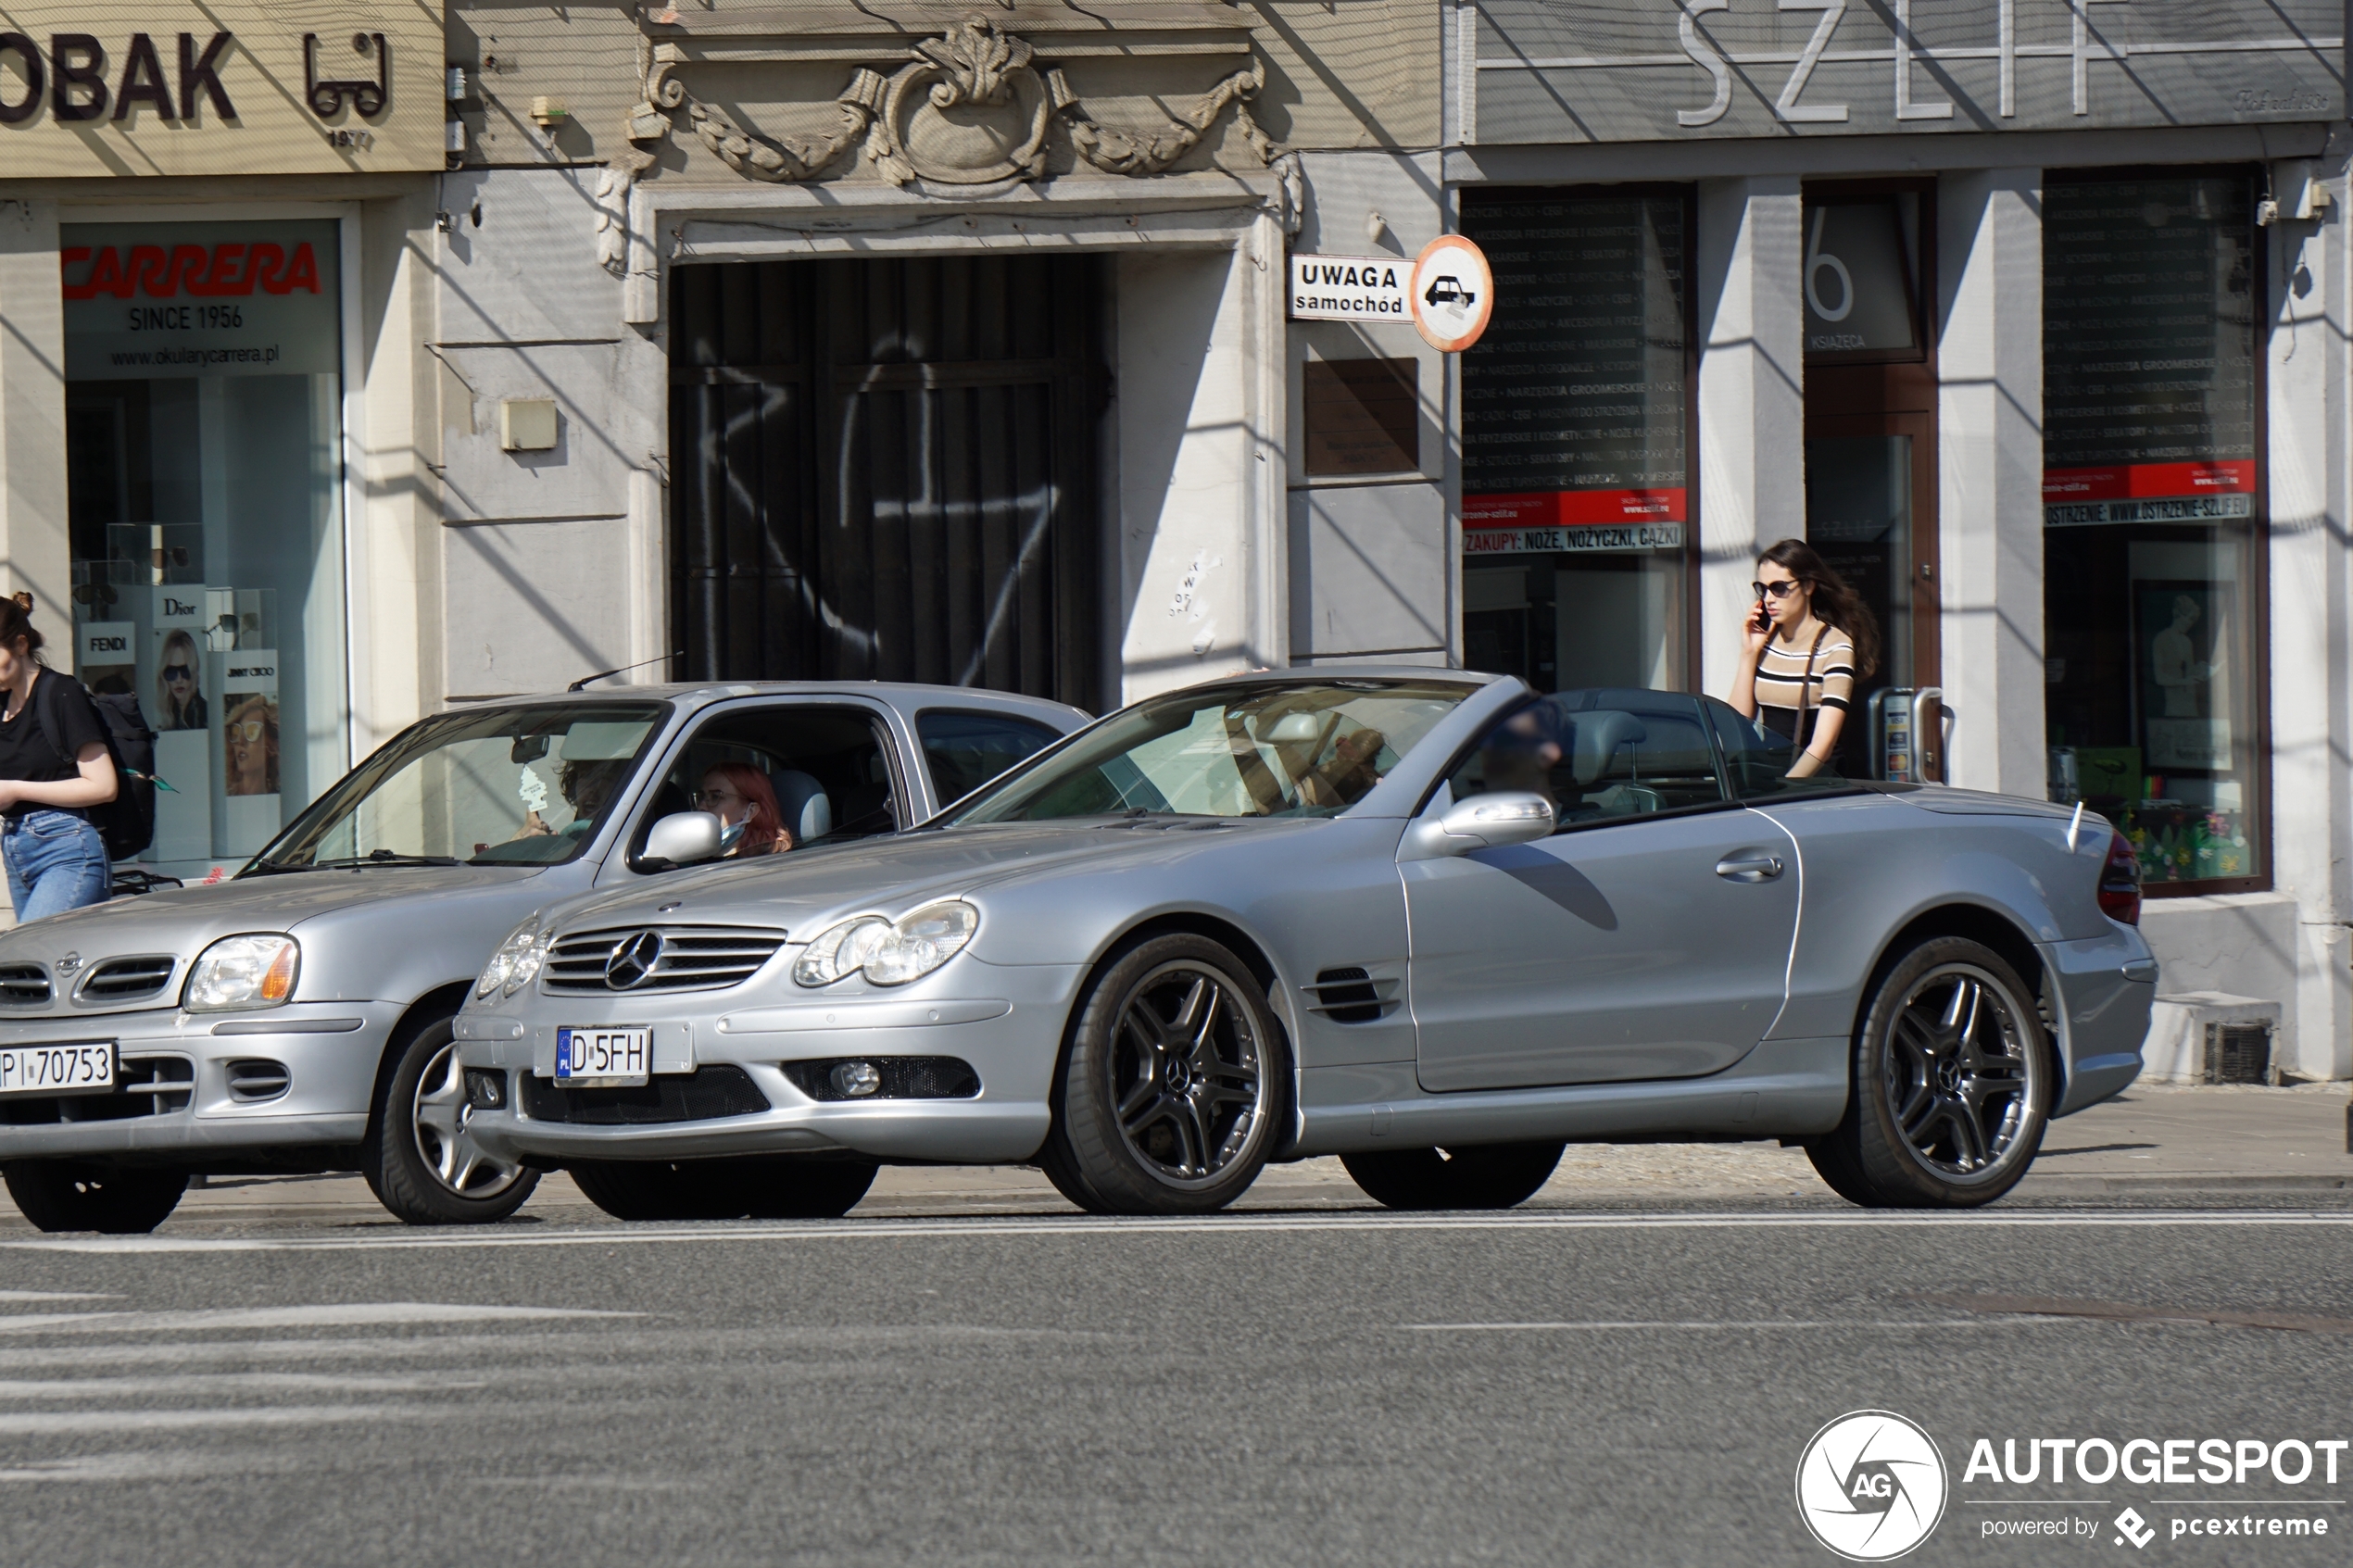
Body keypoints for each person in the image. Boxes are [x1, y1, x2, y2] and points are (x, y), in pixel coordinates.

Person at [0, 593, 120, 921]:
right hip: (16, 850)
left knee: (34, 951)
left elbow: (103, 785)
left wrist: (16, 790)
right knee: (31, 967)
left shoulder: (60, 693)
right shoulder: (3, 706)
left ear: (21, 645)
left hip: (67, 849)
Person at [1728, 538, 1881, 779]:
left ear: (1808, 586)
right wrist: (1748, 654)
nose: (1768, 598)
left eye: (1779, 588)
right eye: (1762, 588)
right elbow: (1736, 723)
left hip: (1813, 784)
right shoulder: (1765, 642)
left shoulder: (1834, 647)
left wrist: (1788, 787)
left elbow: (1824, 742)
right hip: (1770, 778)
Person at [697, 763, 789, 857]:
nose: (701, 806)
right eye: (702, 796)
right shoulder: (694, 857)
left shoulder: (766, 862)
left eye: (716, 796)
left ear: (750, 811)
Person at [224, 694, 279, 797]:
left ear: (273, 746)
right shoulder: (224, 795)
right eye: (236, 732)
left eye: (252, 731)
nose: (240, 741)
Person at [155, 629, 207, 731]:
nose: (178, 680)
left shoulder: (206, 714)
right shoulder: (168, 717)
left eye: (184, 670)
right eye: (171, 672)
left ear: (193, 671)